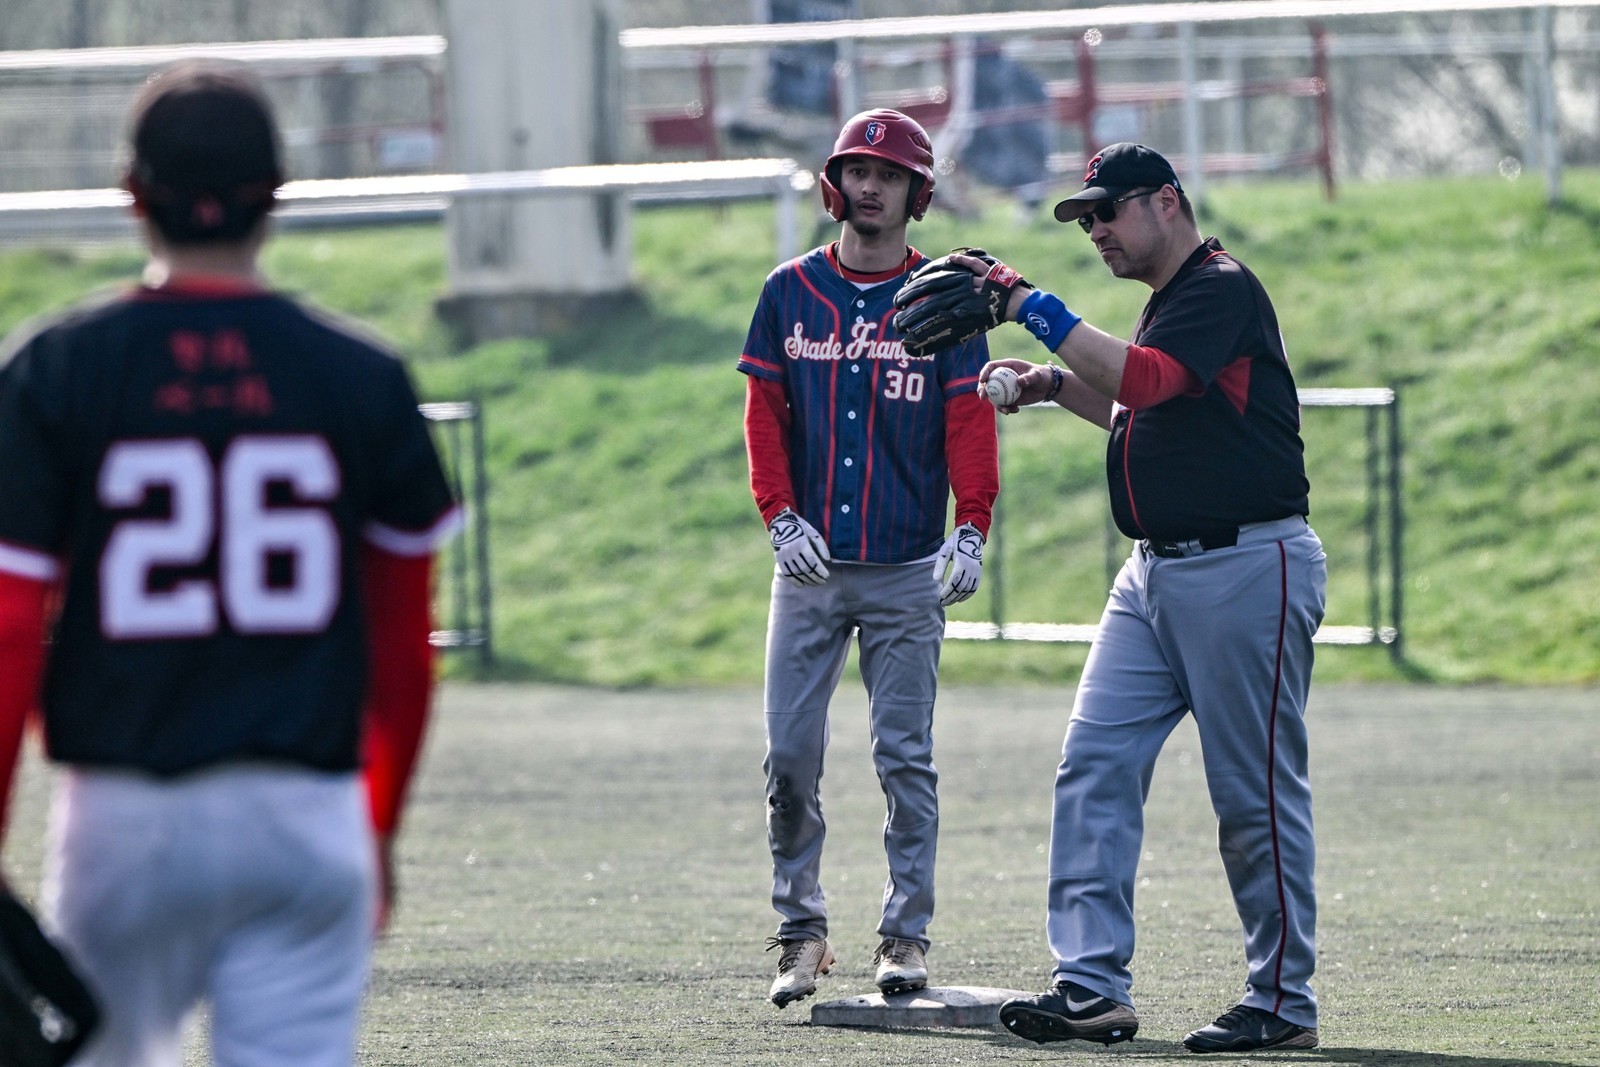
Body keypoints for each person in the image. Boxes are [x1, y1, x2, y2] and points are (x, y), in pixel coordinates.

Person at [0, 61, 460, 1066]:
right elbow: (400, 648)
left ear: (133, 195)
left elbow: (5, 630)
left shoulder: (55, 366)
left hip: (124, 813)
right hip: (306, 811)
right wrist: (374, 824)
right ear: (277, 195)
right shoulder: (361, 372)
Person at [914, 143, 1326, 1052]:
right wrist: (1053, 383)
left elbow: (1144, 380)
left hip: (1247, 566)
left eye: (1108, 210)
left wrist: (1027, 306)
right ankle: (1092, 984)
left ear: (1167, 202)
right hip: (1154, 576)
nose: (1096, 227)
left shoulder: (1221, 286)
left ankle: (1283, 1000)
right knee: (1094, 764)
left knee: (1252, 796)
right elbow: (1144, 405)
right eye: (1085, 217)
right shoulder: (1172, 302)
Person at [738, 108, 1000, 1008]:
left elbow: (968, 418)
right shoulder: (789, 291)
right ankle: (801, 931)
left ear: (917, 193)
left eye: (891, 175)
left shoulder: (944, 299)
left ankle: (906, 930)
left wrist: (973, 525)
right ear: (835, 182)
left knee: (904, 756)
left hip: (903, 568)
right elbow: (762, 414)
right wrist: (777, 514)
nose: (873, 186)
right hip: (807, 568)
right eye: (859, 170)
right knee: (788, 756)